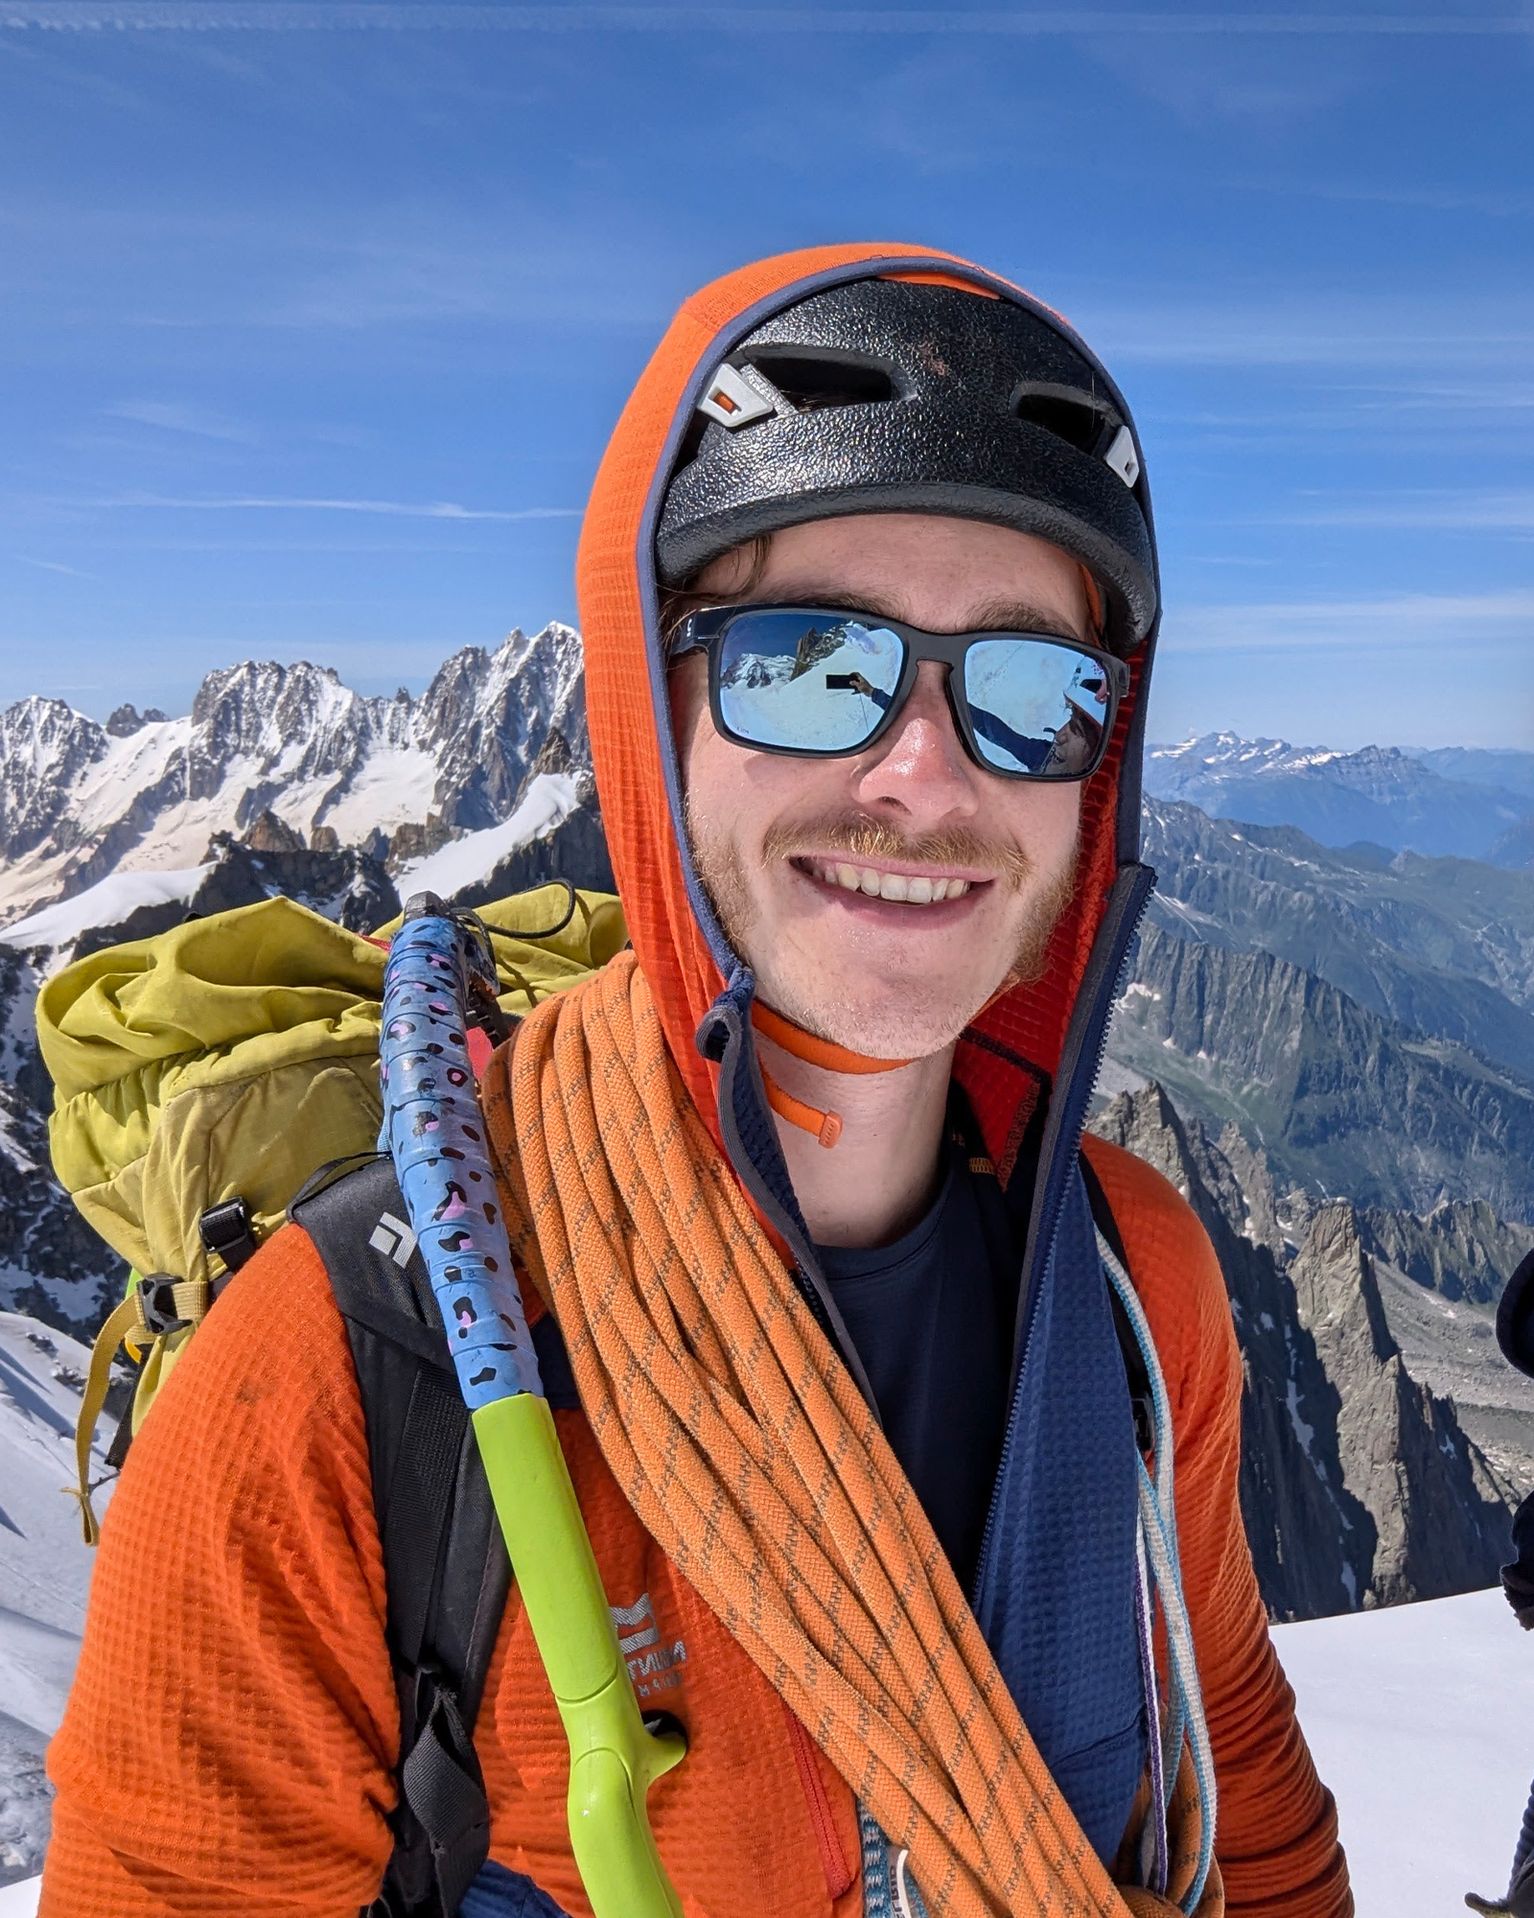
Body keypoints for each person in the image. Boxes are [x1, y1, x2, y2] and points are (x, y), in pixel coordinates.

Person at [40, 244, 1351, 1916]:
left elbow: (1227, 1762)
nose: (923, 775)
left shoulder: (1133, 1284)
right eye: (811, 661)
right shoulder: (340, 1387)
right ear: (648, 714)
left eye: (1032, 687)